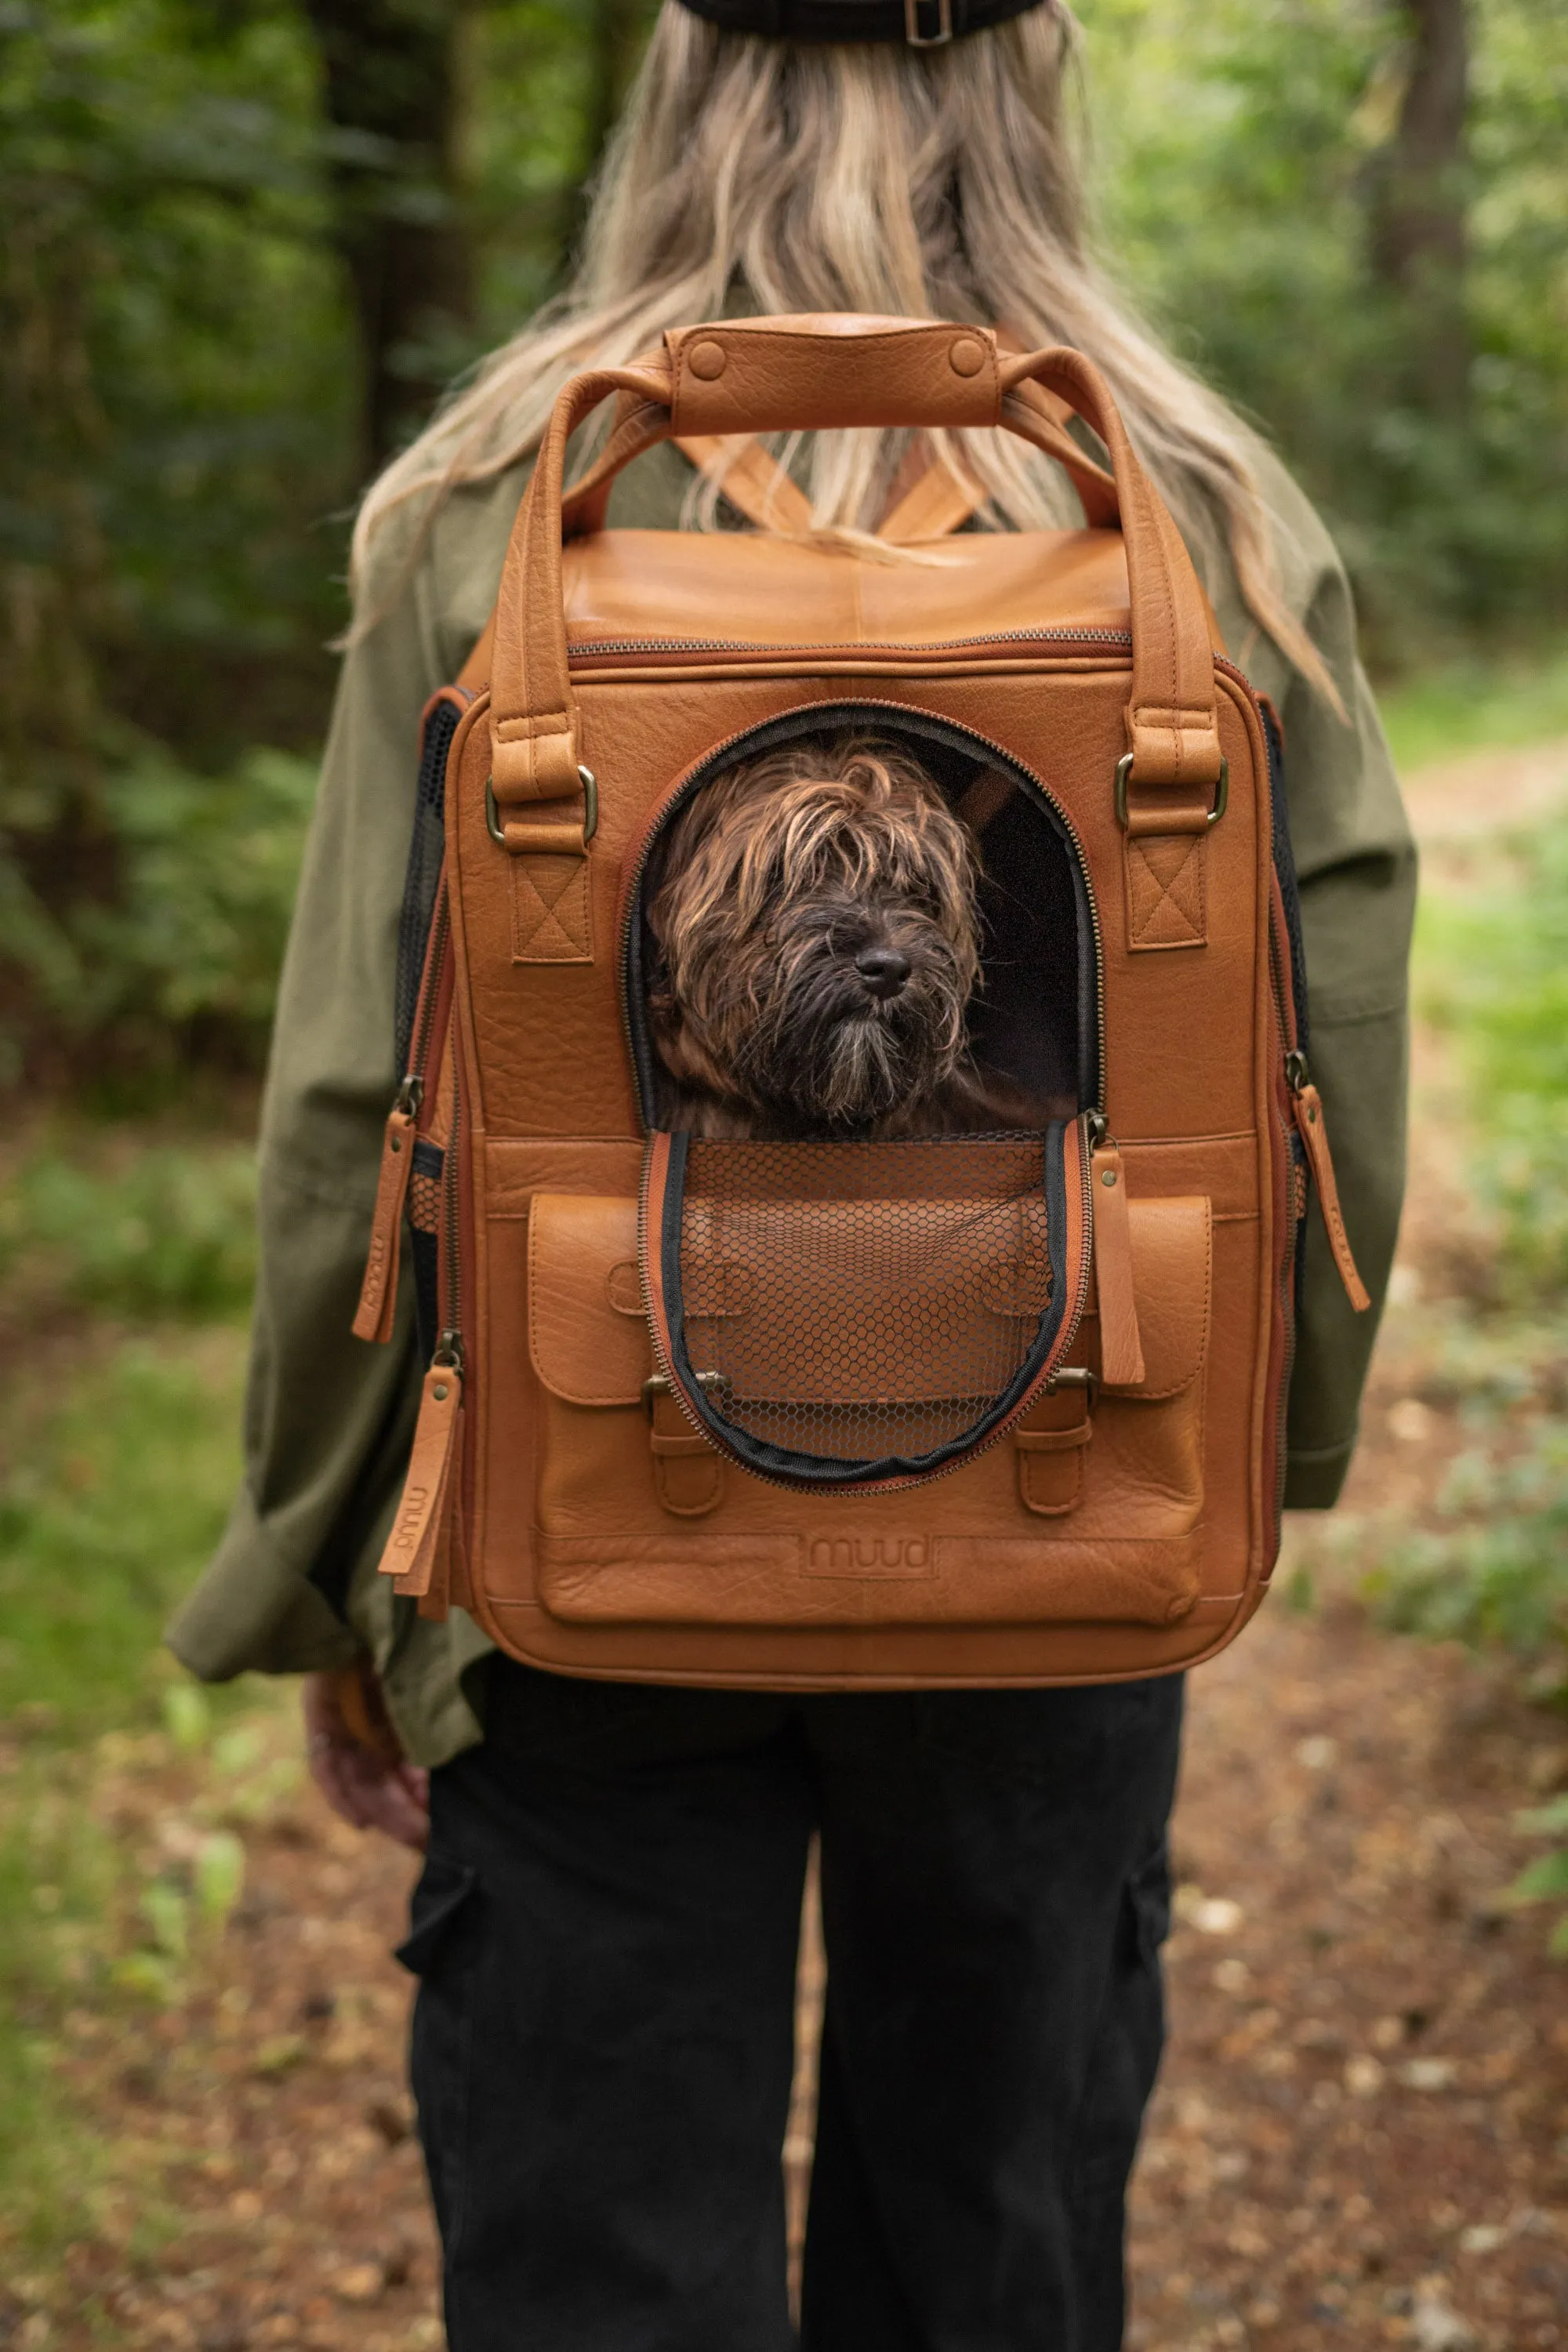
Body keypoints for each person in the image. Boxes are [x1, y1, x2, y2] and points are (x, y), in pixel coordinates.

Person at [169, 3, 1416, 2344]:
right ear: (1028, 99)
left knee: (600, 2246)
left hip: (585, 1521)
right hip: (1065, 1488)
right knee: (993, 2229)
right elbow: (1328, 1054)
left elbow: (357, 1104)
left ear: (677, 95)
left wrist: (342, 1567)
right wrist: (1274, 1437)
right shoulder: (1203, 514)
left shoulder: (486, 511)